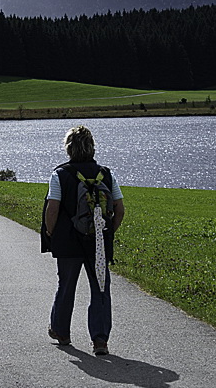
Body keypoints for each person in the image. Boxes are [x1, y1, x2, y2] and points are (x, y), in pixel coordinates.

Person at [43, 125, 125, 356]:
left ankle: (61, 331)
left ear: (68, 147)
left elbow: (53, 208)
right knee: (100, 288)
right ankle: (100, 341)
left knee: (66, 286)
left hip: (68, 243)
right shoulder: (106, 174)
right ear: (92, 147)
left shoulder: (60, 174)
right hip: (97, 242)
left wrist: (51, 232)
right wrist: (107, 233)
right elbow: (119, 209)